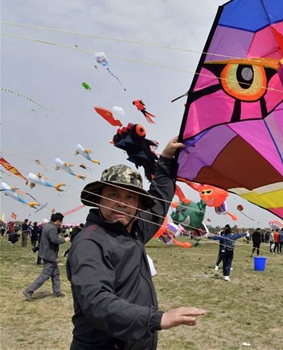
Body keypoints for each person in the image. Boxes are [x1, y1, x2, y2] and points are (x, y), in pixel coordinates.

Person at [66, 137, 206, 349]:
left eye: (130, 197)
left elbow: (159, 201)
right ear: (99, 199)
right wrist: (157, 319)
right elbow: (96, 301)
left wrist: (166, 159)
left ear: (139, 205)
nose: (122, 203)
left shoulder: (135, 229)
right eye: (113, 194)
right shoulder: (89, 242)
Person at [23, 213, 70, 300]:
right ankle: (29, 290)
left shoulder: (47, 225)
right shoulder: (52, 228)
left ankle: (57, 292)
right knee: (45, 275)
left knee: (55, 273)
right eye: (61, 221)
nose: (61, 223)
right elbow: (54, 239)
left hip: (46, 252)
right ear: (58, 221)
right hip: (49, 254)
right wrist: (65, 240)